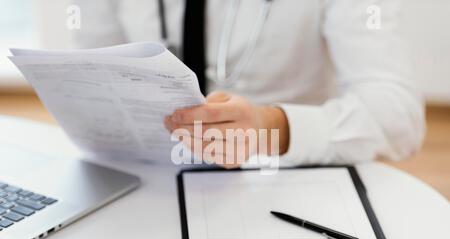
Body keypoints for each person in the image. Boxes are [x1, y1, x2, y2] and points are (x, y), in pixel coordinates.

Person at [71, 0, 425, 167]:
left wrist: (272, 126)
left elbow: (399, 116)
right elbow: (95, 72)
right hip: (147, 171)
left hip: (282, 175)